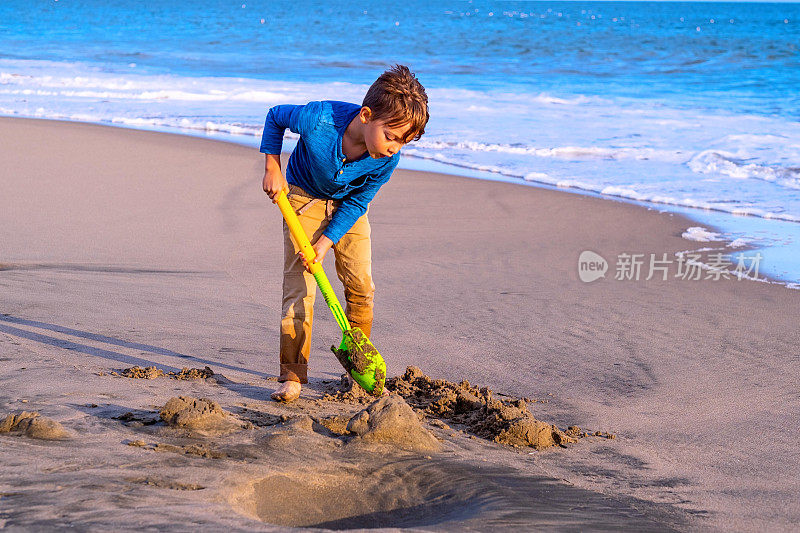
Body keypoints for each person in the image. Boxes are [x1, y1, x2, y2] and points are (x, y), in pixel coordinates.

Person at [261, 65, 429, 402]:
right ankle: (293, 375)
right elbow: (275, 116)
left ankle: (356, 368)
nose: (395, 148)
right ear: (366, 116)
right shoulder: (319, 119)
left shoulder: (386, 161)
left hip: (349, 210)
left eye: (403, 142)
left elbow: (358, 202)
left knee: (361, 285)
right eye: (391, 136)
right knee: (299, 288)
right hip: (302, 199)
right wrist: (272, 167)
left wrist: (325, 243)